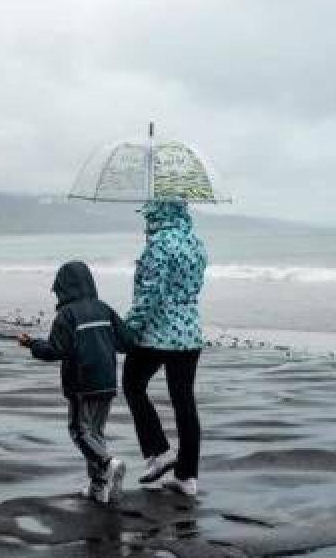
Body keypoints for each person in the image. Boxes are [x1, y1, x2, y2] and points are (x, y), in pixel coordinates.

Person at [17, 260, 132, 504]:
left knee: (80, 432)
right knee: (96, 433)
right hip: (108, 382)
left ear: (64, 288)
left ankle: (108, 464)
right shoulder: (104, 309)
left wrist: (32, 345)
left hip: (82, 384)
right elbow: (125, 343)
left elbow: (56, 350)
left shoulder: (66, 315)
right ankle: (99, 487)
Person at [122, 200, 207, 496]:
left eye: (148, 214)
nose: (146, 219)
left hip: (158, 333)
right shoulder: (195, 243)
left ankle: (159, 452)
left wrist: (128, 329)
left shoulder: (158, 244)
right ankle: (187, 477)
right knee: (184, 401)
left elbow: (149, 295)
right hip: (190, 333)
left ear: (158, 214)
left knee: (132, 384)